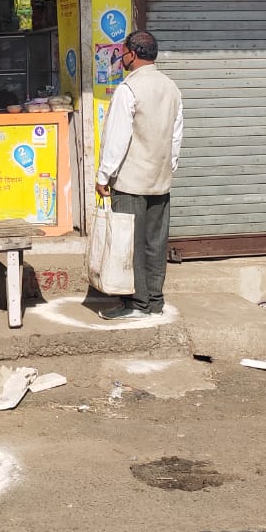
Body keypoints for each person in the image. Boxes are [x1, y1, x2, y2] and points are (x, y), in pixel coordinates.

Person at [94, 31, 184, 319]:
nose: (122, 58)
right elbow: (176, 136)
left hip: (131, 180)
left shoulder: (128, 89)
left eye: (123, 52)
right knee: (155, 243)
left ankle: (137, 303)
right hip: (159, 179)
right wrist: (168, 167)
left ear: (132, 53)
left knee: (129, 241)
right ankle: (154, 301)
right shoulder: (171, 87)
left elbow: (117, 138)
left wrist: (104, 175)